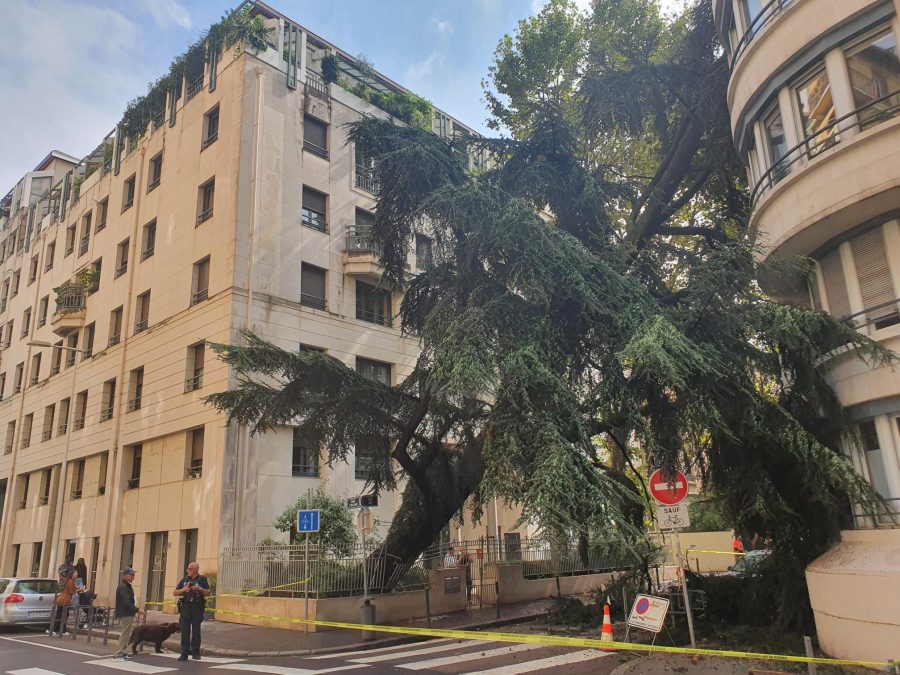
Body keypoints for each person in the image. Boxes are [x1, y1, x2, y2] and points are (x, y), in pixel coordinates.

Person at [173, 561, 211, 661]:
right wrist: (183, 590)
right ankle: (184, 652)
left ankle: (196, 652)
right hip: (185, 607)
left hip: (197, 607)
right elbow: (175, 592)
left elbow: (208, 592)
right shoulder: (185, 579)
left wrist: (199, 589)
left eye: (189, 569)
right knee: (184, 630)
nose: (187, 570)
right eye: (188, 569)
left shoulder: (203, 579)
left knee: (196, 630)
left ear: (195, 570)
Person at [113, 568, 139, 661]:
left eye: (133, 574)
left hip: (127, 612)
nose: (133, 576)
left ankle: (123, 652)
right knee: (124, 633)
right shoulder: (123, 587)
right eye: (131, 575)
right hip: (125, 613)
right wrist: (136, 610)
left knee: (126, 633)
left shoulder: (126, 586)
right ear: (126, 576)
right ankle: (119, 653)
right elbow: (126, 602)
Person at [49, 570, 77, 636]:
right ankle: (53, 629)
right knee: (60, 616)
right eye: (75, 573)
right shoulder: (70, 581)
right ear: (72, 574)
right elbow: (71, 591)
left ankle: (62, 630)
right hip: (64, 601)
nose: (77, 574)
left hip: (63, 600)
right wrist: (78, 590)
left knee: (64, 616)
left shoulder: (70, 581)